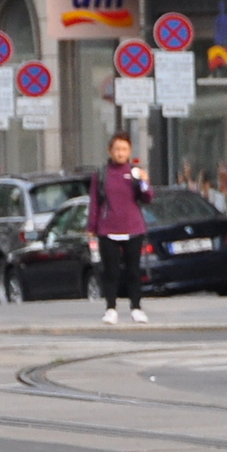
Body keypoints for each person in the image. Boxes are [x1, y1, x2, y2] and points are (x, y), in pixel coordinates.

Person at [88, 131, 152, 324]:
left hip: (133, 228)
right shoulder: (101, 174)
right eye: (117, 149)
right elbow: (94, 203)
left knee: (133, 271)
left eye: (124, 149)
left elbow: (148, 198)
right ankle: (111, 308)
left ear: (129, 151)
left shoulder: (134, 173)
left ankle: (136, 307)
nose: (120, 153)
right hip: (108, 230)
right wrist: (92, 227)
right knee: (111, 271)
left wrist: (144, 181)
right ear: (110, 151)